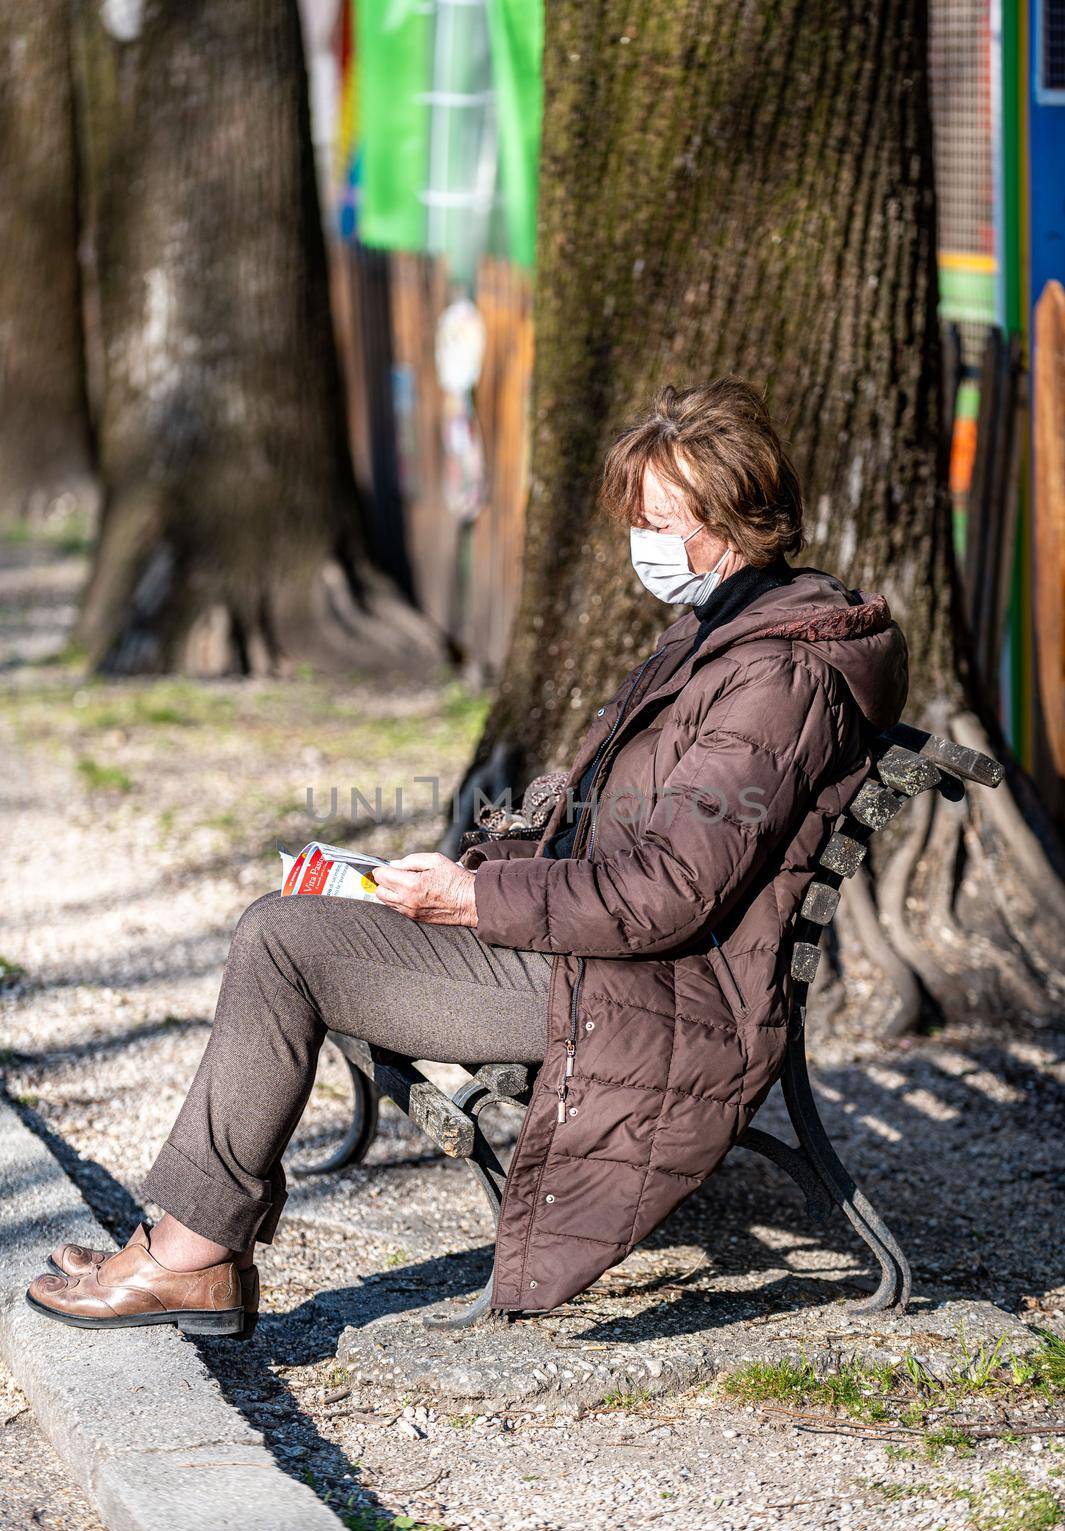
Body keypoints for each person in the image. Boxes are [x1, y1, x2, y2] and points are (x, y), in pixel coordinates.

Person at [27, 378, 908, 1336]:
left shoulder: (771, 674)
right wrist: (475, 871)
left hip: (638, 991)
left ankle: (188, 1257)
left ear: (736, 518)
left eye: (662, 521)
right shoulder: (722, 632)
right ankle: (188, 1244)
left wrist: (473, 904)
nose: (643, 544)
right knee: (298, 921)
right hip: (592, 955)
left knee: (282, 943)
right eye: (640, 519)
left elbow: (667, 893)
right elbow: (614, 829)